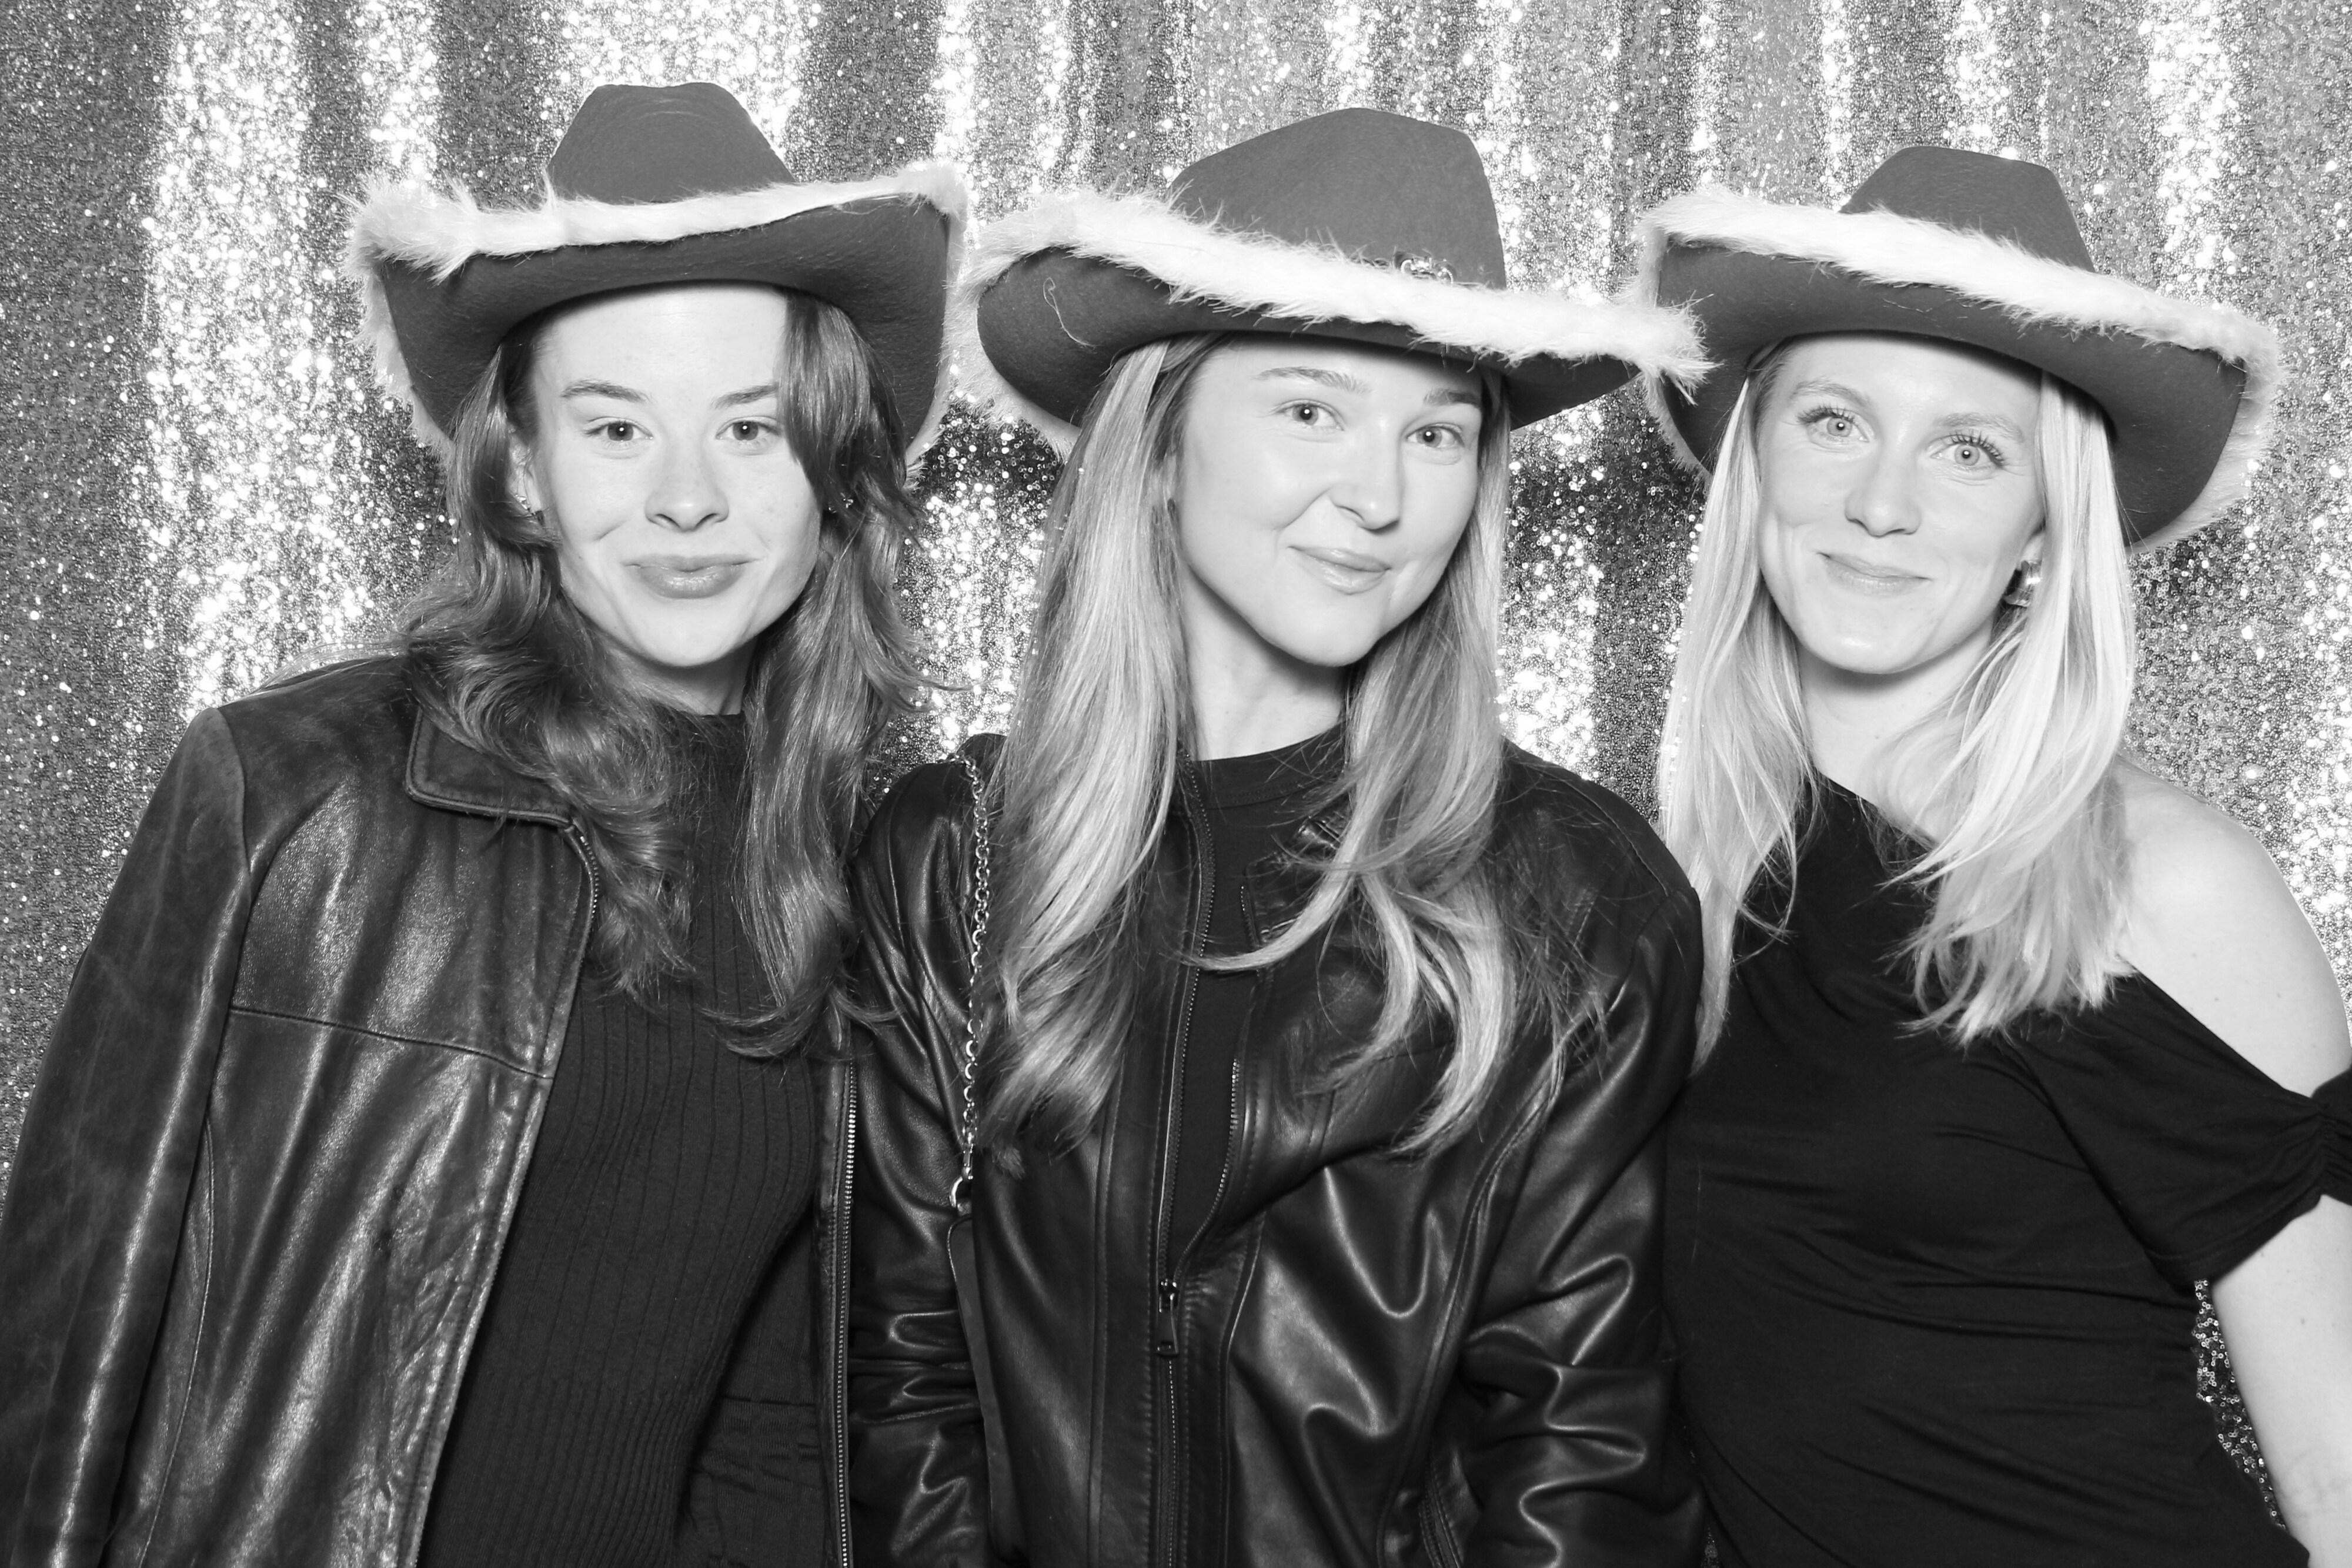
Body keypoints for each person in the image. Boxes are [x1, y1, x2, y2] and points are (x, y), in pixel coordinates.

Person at [0, 82, 964, 1568]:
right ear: (521, 466)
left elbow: (778, 1414)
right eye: (616, 425)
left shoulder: (851, 866)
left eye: (751, 428)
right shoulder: (295, 790)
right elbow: (67, 1339)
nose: (688, 498)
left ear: (830, 474)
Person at [844, 108, 1712, 1567]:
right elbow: (904, 1381)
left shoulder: (1574, 893)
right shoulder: (956, 854)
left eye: (1435, 432)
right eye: (1311, 410)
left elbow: (1580, 1457)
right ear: (1159, 444)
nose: (1378, 497)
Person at [1639, 145, 2352, 1566]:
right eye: (1833, 422)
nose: (1882, 503)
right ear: (1752, 464)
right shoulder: (1672, 872)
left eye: (1966, 450)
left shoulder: (2160, 879)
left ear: (2042, 527)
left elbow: (2338, 1459)